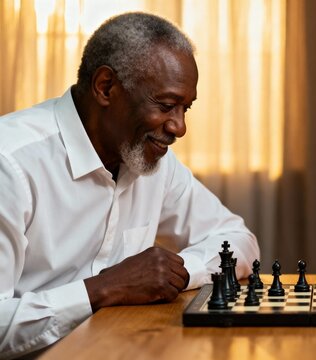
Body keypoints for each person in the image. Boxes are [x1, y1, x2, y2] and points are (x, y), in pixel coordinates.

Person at [0, 13, 260, 358]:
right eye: (167, 105)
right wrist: (103, 289)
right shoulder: (11, 163)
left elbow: (240, 240)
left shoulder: (153, 161)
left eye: (186, 108)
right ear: (106, 87)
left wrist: (179, 273)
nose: (179, 127)